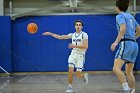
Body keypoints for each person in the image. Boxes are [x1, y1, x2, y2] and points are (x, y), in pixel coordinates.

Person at [42, 20, 88, 93]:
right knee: (70, 70)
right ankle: (70, 87)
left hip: (81, 55)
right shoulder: (72, 35)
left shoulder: (84, 35)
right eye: (77, 25)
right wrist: (51, 33)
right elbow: (60, 37)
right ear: (75, 26)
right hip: (73, 54)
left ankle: (83, 76)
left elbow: (86, 46)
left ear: (82, 27)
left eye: (79, 25)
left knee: (78, 75)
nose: (78, 26)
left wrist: (74, 45)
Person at [111, 0, 140, 93]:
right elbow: (139, 30)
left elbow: (123, 28)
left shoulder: (120, 16)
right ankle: (133, 90)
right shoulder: (131, 16)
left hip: (126, 43)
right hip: (134, 45)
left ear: (117, 7)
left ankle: (126, 89)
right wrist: (133, 38)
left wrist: (116, 42)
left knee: (116, 68)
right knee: (129, 72)